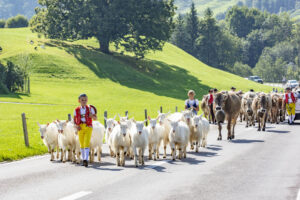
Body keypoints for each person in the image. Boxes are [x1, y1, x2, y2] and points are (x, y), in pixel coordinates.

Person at [74, 94, 97, 167]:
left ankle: (85, 159)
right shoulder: (76, 109)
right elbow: (74, 120)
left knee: (86, 142)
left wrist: (92, 116)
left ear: (87, 100)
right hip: (80, 127)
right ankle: (83, 158)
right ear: (79, 101)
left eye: (85, 100)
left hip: (88, 126)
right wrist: (77, 126)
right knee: (81, 143)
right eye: (82, 100)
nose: (84, 101)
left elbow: (95, 118)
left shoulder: (90, 108)